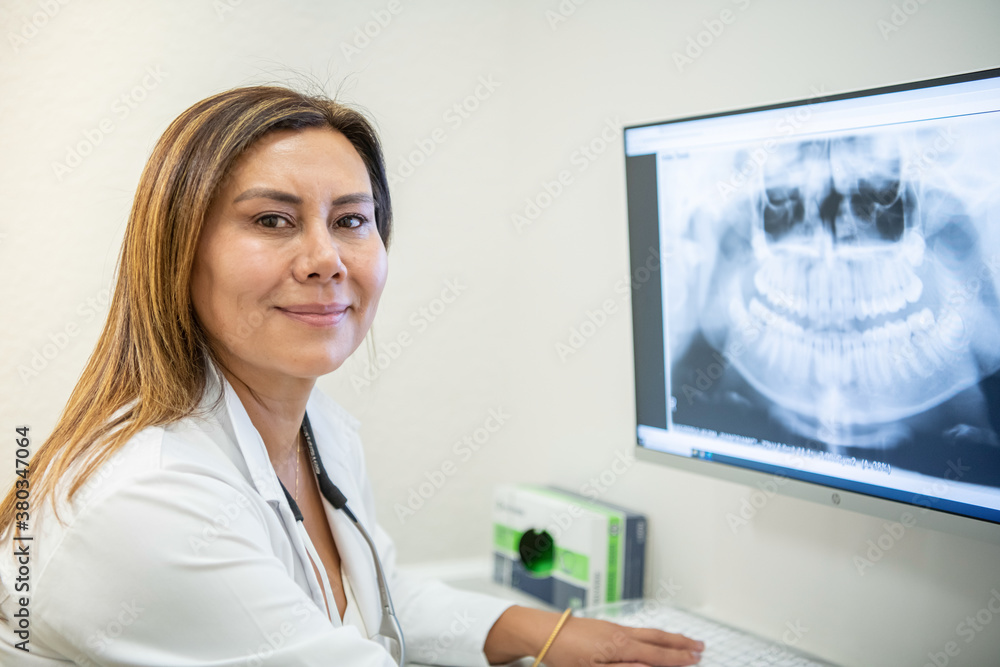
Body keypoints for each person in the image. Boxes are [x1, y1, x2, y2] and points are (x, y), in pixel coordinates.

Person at [0, 85, 704, 666]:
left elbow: (377, 602)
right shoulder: (154, 495)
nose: (324, 258)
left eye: (351, 220)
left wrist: (547, 633)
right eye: (273, 220)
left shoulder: (315, 429)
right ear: (180, 253)